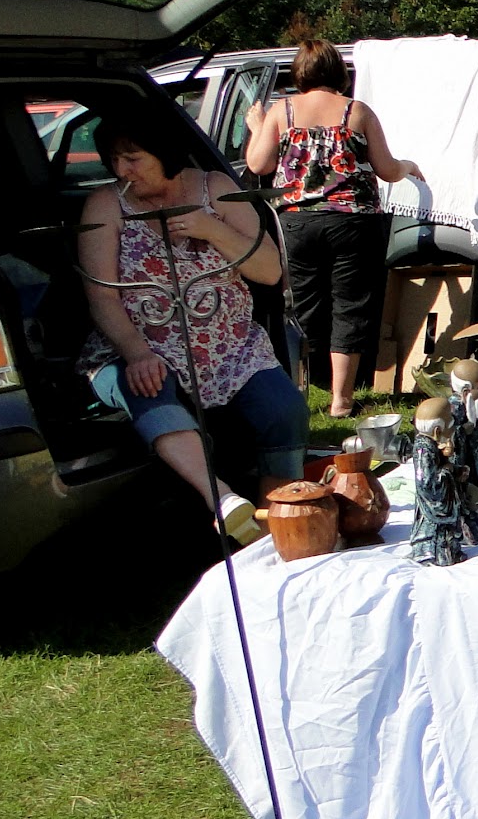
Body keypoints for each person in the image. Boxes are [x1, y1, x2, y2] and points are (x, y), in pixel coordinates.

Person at [75, 107, 308, 543]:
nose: (121, 169)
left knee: (284, 409)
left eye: (134, 158)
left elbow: (268, 271)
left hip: (228, 345)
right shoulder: (105, 205)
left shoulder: (215, 189)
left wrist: (211, 228)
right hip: (139, 344)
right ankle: (222, 501)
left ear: (164, 153)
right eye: (114, 160)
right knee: (146, 386)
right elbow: (101, 295)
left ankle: (286, 518)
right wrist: (136, 352)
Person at [244, 38, 423, 418]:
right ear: (339, 73)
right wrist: (408, 165)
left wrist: (259, 127)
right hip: (353, 221)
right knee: (350, 305)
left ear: (300, 72)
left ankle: (302, 389)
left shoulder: (283, 110)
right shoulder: (357, 112)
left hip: (298, 220)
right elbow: (388, 171)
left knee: (305, 305)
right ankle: (341, 400)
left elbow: (258, 165)